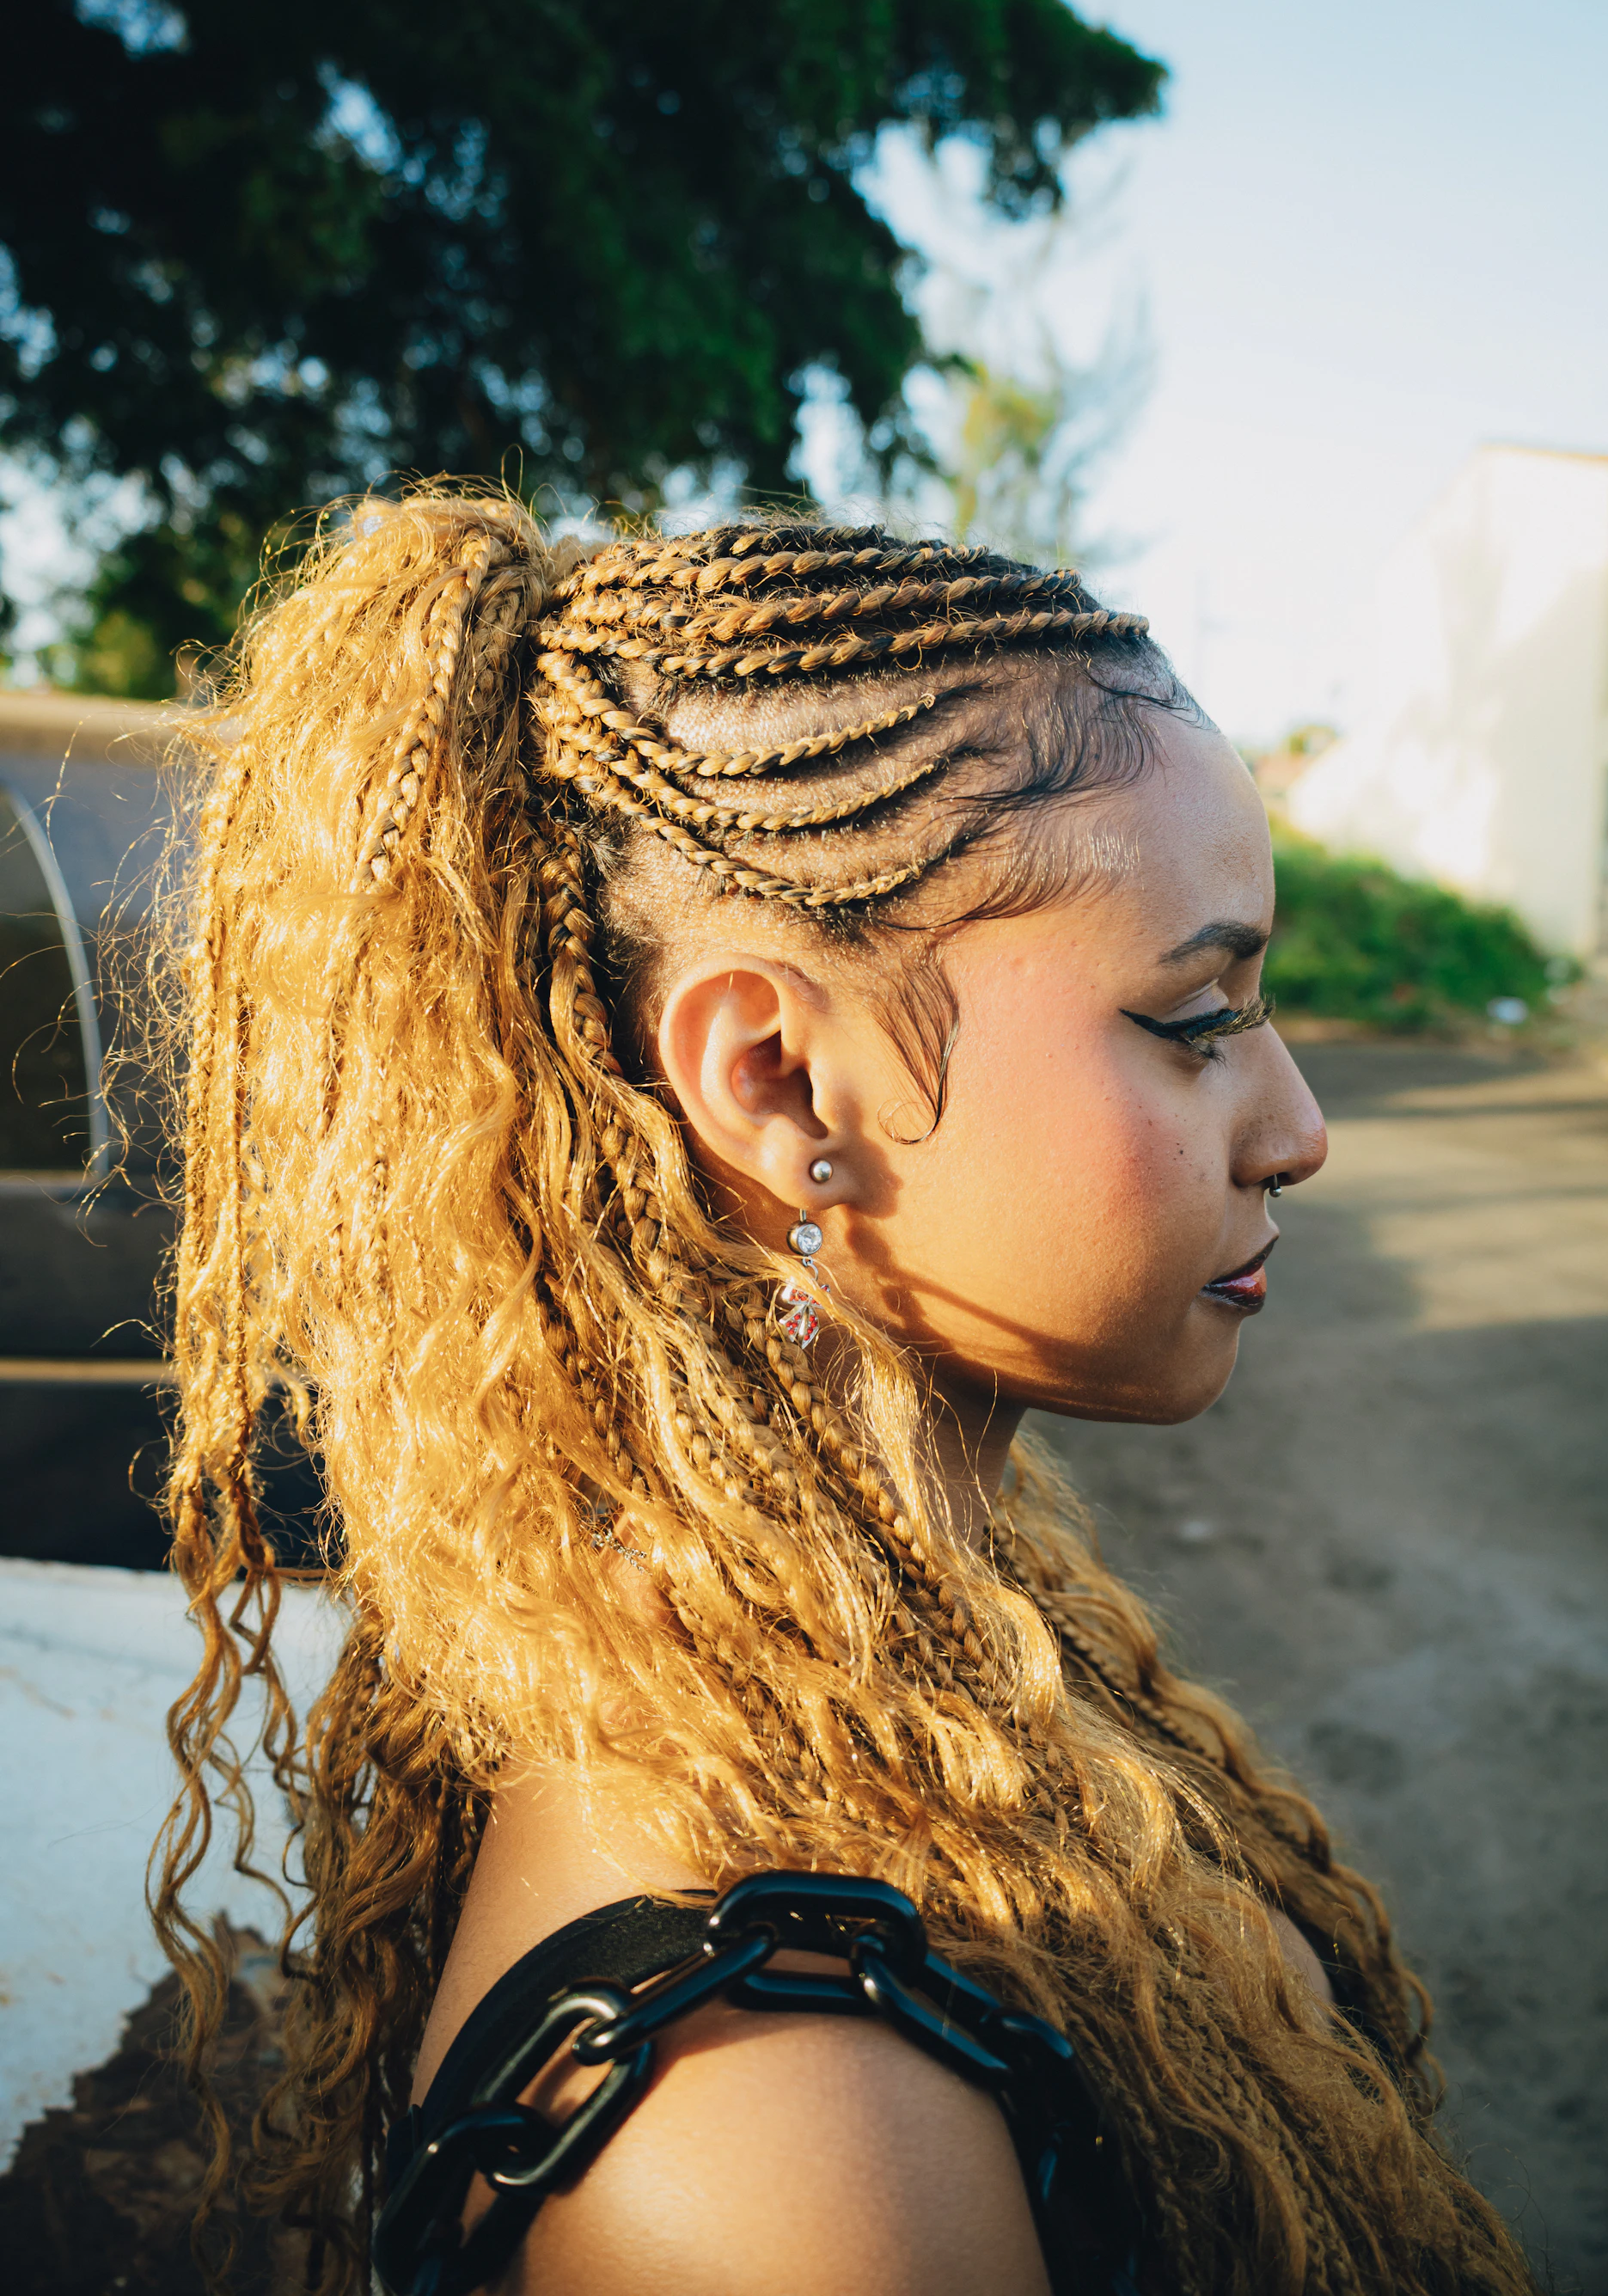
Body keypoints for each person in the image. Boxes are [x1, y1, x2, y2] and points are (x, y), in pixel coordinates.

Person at [153, 491, 1534, 2296]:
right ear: (782, 1081)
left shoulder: (850, 1664)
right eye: (1198, 1021)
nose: (1298, 1128)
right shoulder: (793, 2151)